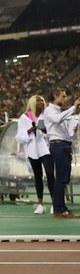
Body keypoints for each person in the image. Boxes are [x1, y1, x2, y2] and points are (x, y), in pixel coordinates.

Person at [39, 88, 80, 219]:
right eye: (63, 96)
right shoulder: (49, 110)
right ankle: (59, 209)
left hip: (63, 145)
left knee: (64, 178)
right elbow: (57, 120)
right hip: (58, 145)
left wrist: (73, 128)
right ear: (55, 97)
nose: (65, 98)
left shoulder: (59, 111)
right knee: (61, 179)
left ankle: (60, 208)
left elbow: (66, 131)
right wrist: (74, 107)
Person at [15, 94, 54, 214]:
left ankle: (55, 203)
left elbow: (52, 132)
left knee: (50, 174)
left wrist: (44, 130)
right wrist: (30, 130)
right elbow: (19, 137)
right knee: (38, 176)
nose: (41, 103)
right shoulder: (25, 117)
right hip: (32, 150)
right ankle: (40, 205)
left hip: (45, 149)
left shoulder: (46, 116)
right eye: (38, 102)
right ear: (32, 103)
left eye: (42, 101)